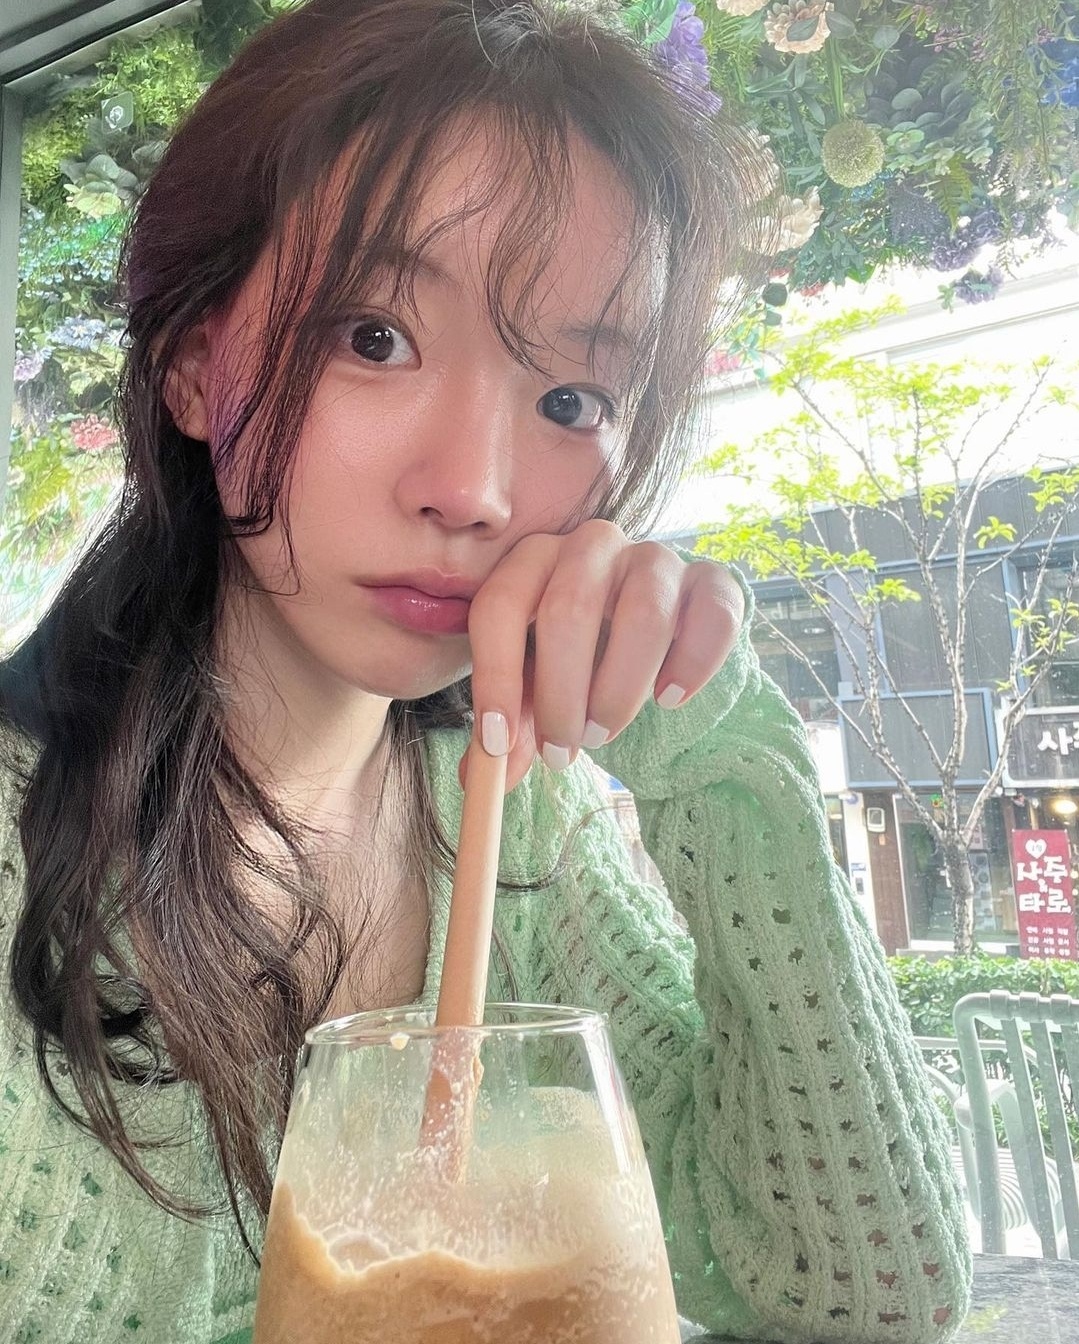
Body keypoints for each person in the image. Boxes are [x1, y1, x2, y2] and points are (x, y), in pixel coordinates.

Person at [0, 1, 972, 1340]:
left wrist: (715, 739)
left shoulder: (518, 820)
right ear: (193, 361)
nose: (475, 490)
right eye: (373, 337)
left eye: (571, 400)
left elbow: (867, 1289)